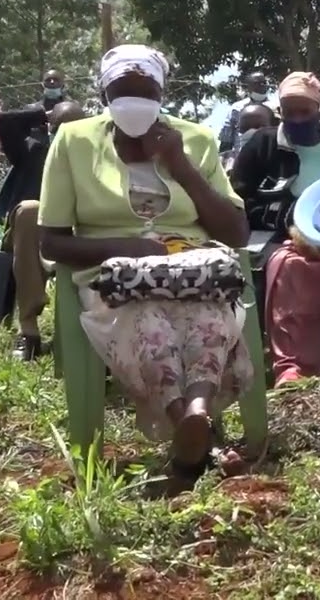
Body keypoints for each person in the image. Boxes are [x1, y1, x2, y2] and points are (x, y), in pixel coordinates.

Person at [39, 44, 253, 475]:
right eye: (122, 90)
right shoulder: (74, 140)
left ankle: (195, 414)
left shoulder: (196, 139)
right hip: (113, 277)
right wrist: (124, 248)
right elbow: (52, 242)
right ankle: (189, 424)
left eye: (146, 90)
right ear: (104, 94)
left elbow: (235, 232)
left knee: (207, 313)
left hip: (191, 269)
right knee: (147, 316)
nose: (134, 101)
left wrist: (182, 167)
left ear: (162, 93)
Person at [232, 72, 320, 385]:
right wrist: (287, 219)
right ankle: (290, 363)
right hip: (278, 235)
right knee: (291, 266)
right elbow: (239, 199)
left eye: (305, 111)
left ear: (319, 109)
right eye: (289, 112)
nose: (297, 119)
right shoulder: (263, 144)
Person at [0, 100, 86, 361]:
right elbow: (4, 122)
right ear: (50, 128)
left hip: (78, 235)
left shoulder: (95, 158)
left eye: (75, 128)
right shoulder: (32, 151)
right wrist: (40, 114)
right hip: (32, 234)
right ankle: (29, 332)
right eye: (60, 128)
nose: (67, 135)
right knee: (30, 211)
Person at [219, 71, 274, 152]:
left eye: (264, 82)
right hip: (240, 156)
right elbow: (226, 139)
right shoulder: (237, 108)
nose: (262, 85)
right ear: (249, 87)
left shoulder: (275, 107)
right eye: (257, 83)